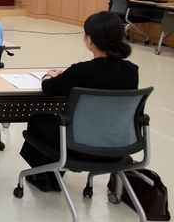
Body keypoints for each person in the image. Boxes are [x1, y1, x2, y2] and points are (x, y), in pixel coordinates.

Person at [19, 11, 139, 192]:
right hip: (116, 144)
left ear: (89, 40)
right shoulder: (132, 71)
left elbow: (49, 88)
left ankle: (45, 175)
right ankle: (49, 174)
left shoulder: (81, 72)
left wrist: (47, 76)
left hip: (78, 144)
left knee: (37, 120)